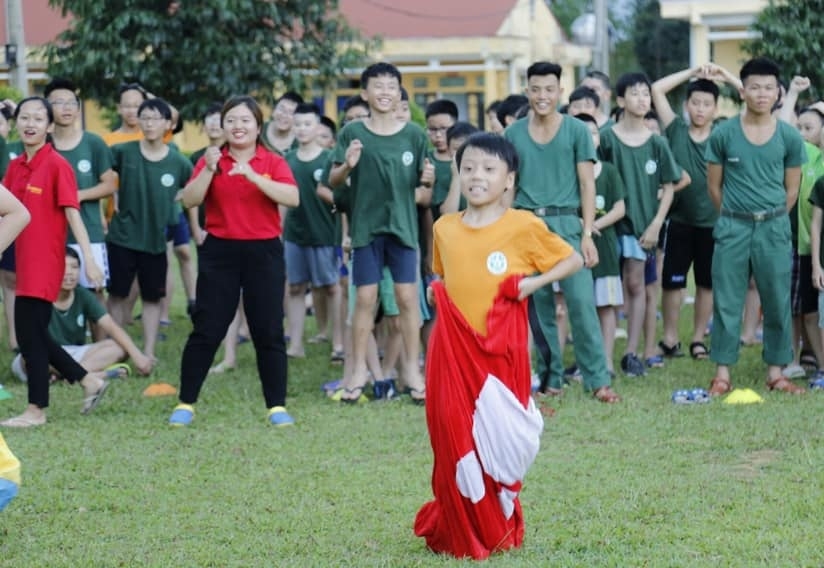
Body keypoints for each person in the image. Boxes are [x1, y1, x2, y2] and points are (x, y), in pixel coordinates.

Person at [414, 132, 582, 560]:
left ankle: (495, 518)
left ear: (509, 180)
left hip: (500, 356)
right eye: (468, 168)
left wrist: (531, 284)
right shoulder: (445, 228)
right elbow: (445, 276)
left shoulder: (523, 225)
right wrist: (440, 293)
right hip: (451, 354)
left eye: (489, 169)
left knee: (500, 441)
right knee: (450, 434)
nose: (477, 177)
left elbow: (573, 258)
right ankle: (458, 527)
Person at [170, 95, 299, 427]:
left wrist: (255, 177)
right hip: (220, 251)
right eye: (231, 120)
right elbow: (190, 199)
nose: (238, 126)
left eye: (245, 121)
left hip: (264, 252)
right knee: (207, 328)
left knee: (268, 329)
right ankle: (186, 403)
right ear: (222, 126)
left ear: (258, 126)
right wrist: (210, 170)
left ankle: (276, 406)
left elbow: (293, 197)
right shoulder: (211, 160)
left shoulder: (272, 161)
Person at [504, 61, 620, 402]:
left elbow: (587, 183)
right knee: (539, 308)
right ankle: (551, 378)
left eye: (549, 89)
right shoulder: (512, 134)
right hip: (526, 226)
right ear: (527, 91)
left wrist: (587, 233)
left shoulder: (577, 131)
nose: (542, 96)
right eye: (536, 89)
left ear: (560, 91)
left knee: (582, 302)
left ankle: (598, 380)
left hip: (568, 225)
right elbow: (509, 187)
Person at [327, 62, 433, 404]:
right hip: (365, 231)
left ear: (399, 92)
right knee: (366, 301)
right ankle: (357, 371)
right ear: (364, 93)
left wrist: (427, 183)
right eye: (378, 86)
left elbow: (425, 194)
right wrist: (348, 165)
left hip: (403, 231)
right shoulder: (352, 133)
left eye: (392, 86)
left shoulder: (414, 135)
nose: (385, 92)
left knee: (406, 300)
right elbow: (333, 181)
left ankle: (411, 372)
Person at [0, 97, 109, 428]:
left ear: (50, 126)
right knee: (33, 334)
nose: (30, 123)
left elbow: (73, 213)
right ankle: (88, 380)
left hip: (46, 262)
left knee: (30, 335)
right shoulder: (17, 165)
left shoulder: (57, 164)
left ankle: (37, 411)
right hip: (20, 260)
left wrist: (89, 259)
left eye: (38, 118)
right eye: (24, 118)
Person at [705, 57, 807, 395]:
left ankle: (776, 371)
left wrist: (770, 217)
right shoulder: (723, 134)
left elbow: (792, 190)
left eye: (768, 87)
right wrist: (736, 215)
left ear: (778, 92)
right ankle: (722, 373)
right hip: (733, 227)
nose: (762, 94)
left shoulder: (789, 137)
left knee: (777, 299)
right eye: (754, 87)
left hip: (774, 228)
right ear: (742, 91)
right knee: (727, 299)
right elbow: (714, 188)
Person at [651, 64, 741, 361]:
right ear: (687, 105)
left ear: (716, 108)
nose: (701, 109)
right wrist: (691, 73)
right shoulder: (676, 129)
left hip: (714, 222)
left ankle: (699, 338)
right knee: (672, 283)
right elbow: (657, 89)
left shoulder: (725, 133)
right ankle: (670, 337)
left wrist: (725, 76)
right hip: (678, 221)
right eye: (696, 103)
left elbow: (750, 97)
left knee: (706, 283)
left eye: (707, 104)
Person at [599, 72, 681, 376]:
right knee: (606, 288)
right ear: (620, 100)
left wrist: (657, 223)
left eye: (646, 94)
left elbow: (670, 185)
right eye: (634, 93)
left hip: (642, 227)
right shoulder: (606, 137)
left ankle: (631, 353)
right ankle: (602, 355)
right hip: (607, 226)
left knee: (636, 284)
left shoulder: (657, 142)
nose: (642, 99)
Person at [106, 98, 193, 362]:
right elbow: (106, 175)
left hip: (156, 239)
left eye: (155, 118)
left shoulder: (178, 162)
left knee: (152, 298)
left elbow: (192, 194)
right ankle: (115, 349)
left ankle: (149, 350)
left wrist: (191, 223)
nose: (149, 123)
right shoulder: (123, 151)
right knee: (118, 294)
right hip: (122, 237)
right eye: (145, 117)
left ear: (168, 123)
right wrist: (115, 199)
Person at [11, 248, 154, 382]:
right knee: (32, 355)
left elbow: (110, 326)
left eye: (74, 267)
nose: (69, 272)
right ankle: (86, 374)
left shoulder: (83, 295)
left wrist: (137, 355)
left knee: (119, 347)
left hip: (76, 354)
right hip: (47, 353)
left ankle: (71, 376)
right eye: (63, 266)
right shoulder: (39, 296)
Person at [45, 78, 117, 304]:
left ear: (78, 108)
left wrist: (79, 195)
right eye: (58, 102)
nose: (66, 108)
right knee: (51, 291)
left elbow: (110, 184)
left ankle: (99, 337)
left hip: (89, 231)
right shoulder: (42, 144)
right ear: (47, 108)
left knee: (95, 289)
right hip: (51, 233)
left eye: (71, 102)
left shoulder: (93, 143)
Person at [283, 103, 342, 360]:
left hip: (325, 235)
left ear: (318, 126)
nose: (302, 129)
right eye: (298, 124)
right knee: (295, 288)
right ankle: (295, 345)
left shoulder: (328, 159)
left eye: (307, 124)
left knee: (331, 288)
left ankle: (338, 342)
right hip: (294, 236)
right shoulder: (288, 160)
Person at [576, 113, 626, 376]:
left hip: (604, 249)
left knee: (606, 306)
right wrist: (582, 226)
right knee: (581, 307)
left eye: (593, 132)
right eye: (582, 132)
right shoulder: (570, 172)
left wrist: (594, 224)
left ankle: (606, 360)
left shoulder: (609, 171)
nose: (588, 138)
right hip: (576, 249)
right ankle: (586, 363)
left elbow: (620, 207)